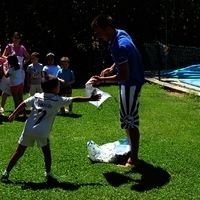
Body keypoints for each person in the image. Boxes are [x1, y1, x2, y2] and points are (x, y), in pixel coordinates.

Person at [1, 75, 101, 183]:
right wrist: (90, 98)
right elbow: (75, 99)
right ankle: (48, 174)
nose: (59, 87)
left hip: (28, 129)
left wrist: (14, 114)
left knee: (18, 152)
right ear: (54, 88)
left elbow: (24, 103)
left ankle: (5, 173)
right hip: (42, 132)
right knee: (46, 152)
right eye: (58, 85)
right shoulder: (57, 100)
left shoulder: (37, 96)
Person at [90, 14, 145, 167]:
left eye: (100, 32)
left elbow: (124, 75)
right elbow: (124, 60)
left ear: (108, 28)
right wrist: (113, 67)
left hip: (130, 84)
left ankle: (133, 159)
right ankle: (130, 150)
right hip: (129, 83)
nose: (99, 36)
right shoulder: (120, 33)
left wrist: (102, 80)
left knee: (130, 120)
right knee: (126, 119)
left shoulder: (119, 46)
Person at [0, 32, 30, 113]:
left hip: (19, 72)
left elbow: (28, 56)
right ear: (12, 38)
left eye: (17, 38)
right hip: (10, 69)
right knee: (5, 88)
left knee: (19, 90)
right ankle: (2, 106)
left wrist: (23, 63)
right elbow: (3, 56)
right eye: (14, 37)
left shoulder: (22, 47)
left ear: (19, 39)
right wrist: (12, 59)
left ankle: (19, 108)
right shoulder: (9, 46)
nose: (16, 39)